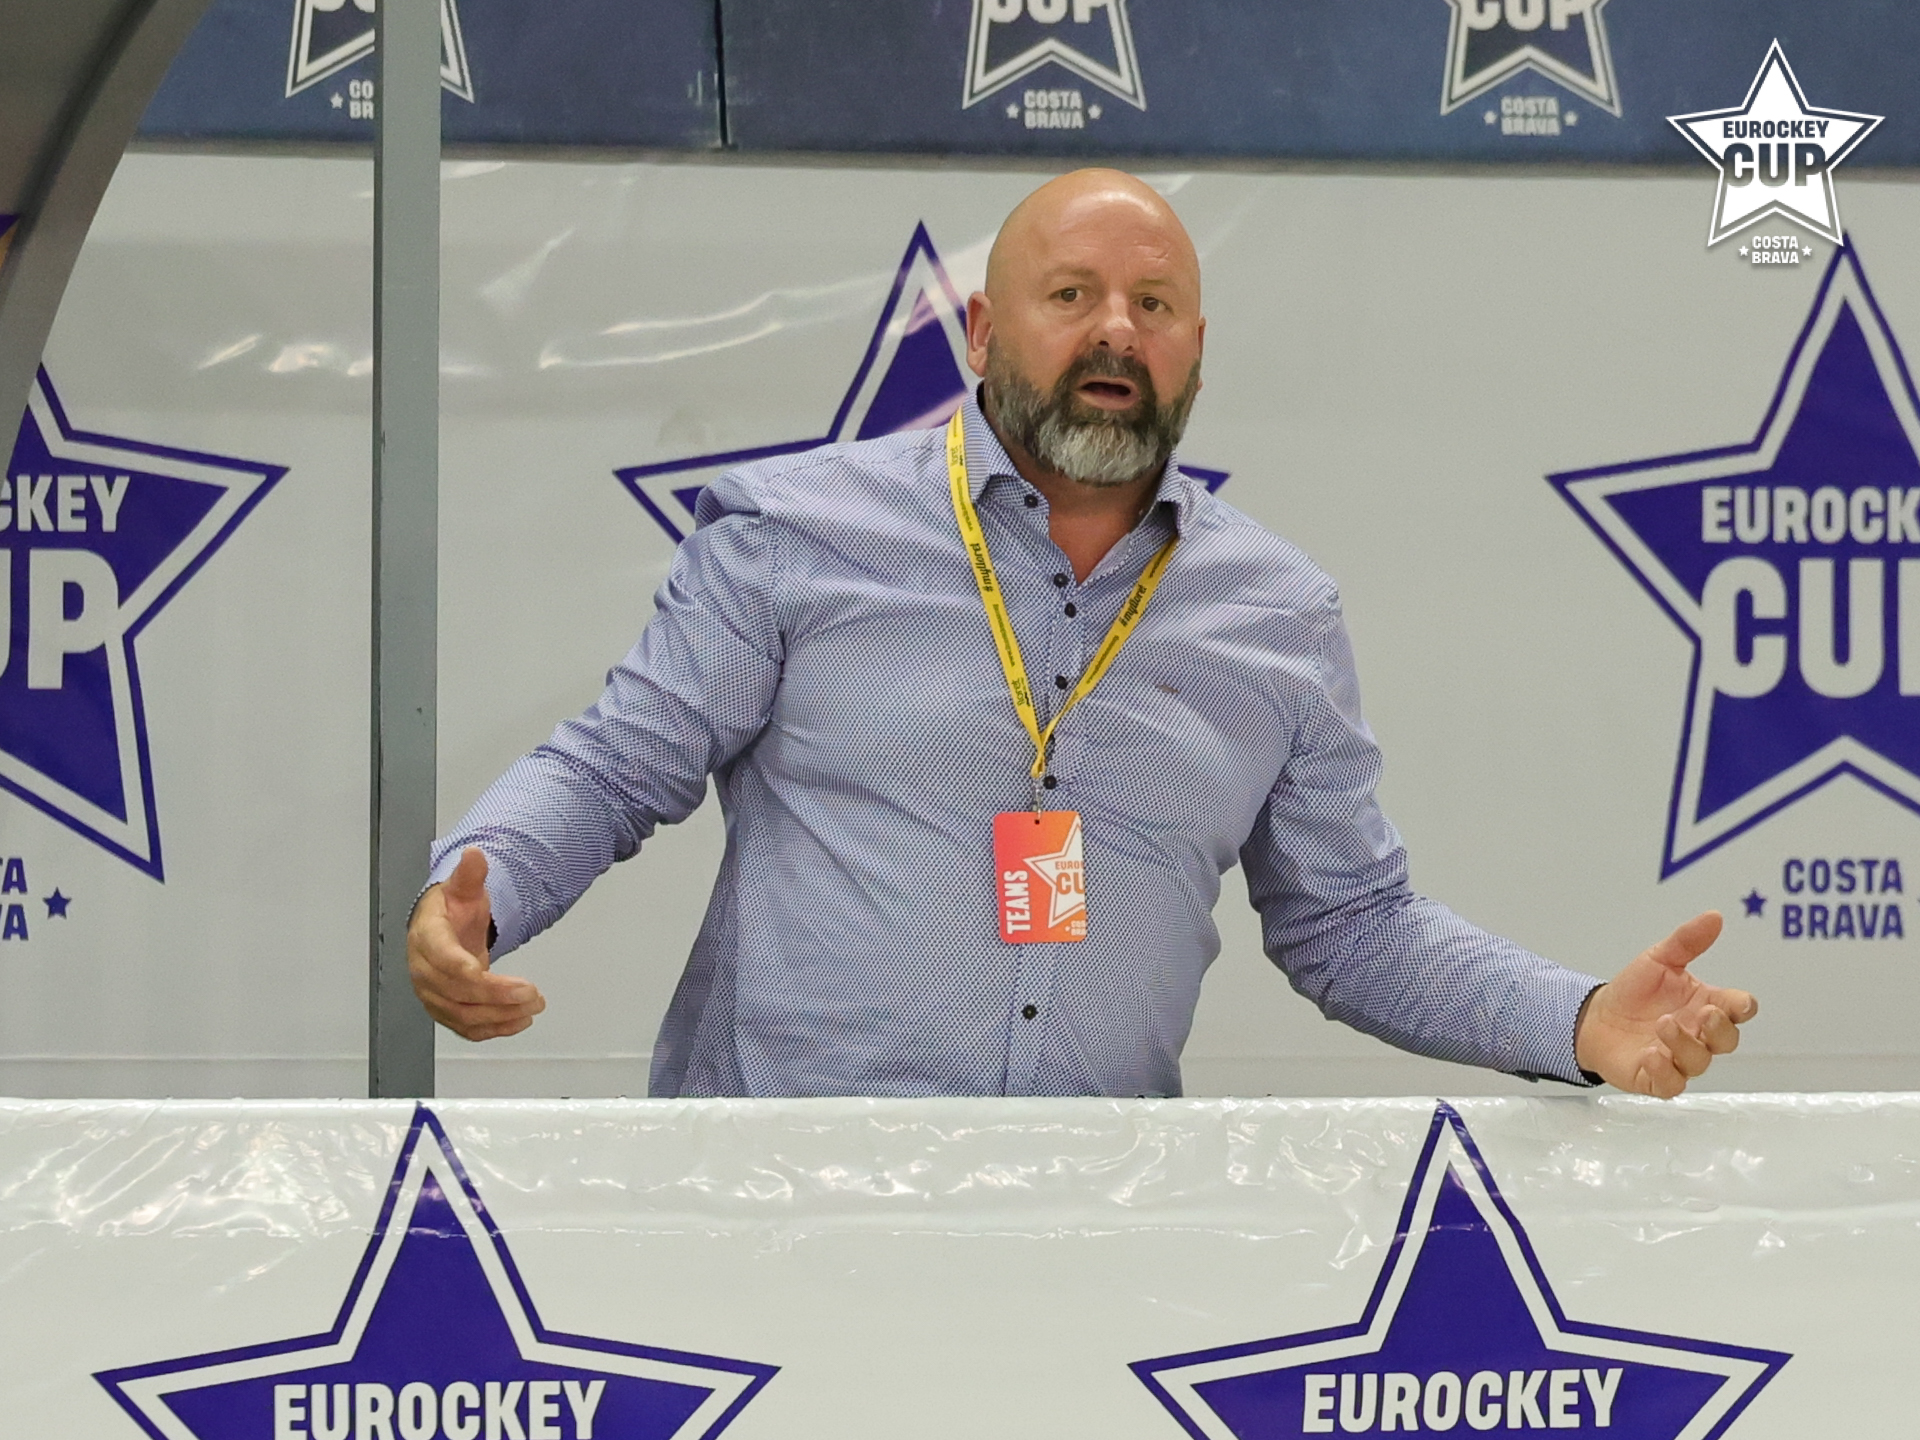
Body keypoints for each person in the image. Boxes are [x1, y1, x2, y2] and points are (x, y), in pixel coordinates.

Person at [409, 168, 1756, 1099]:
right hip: (779, 1204)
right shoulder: (793, 534)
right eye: (1071, 296)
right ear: (982, 330)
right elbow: (615, 766)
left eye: (1153, 306)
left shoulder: (1278, 615)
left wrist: (1577, 1018)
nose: (1116, 330)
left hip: (1098, 1234)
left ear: (1196, 350)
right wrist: (486, 887)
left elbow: (1352, 925)